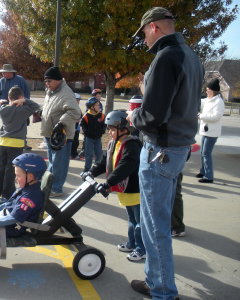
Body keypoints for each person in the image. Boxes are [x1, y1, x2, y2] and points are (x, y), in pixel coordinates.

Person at [127, 7, 203, 299]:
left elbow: (153, 115)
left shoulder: (166, 57)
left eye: (144, 33)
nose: (143, 39)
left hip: (161, 150)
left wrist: (134, 118)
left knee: (154, 227)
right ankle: (157, 281)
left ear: (154, 28)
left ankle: (161, 290)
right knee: (157, 222)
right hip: (177, 148)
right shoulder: (189, 55)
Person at [83, 110, 145, 261]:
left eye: (112, 129)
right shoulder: (114, 143)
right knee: (131, 219)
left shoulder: (132, 145)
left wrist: (108, 183)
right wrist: (91, 171)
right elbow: (104, 160)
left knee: (139, 223)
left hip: (135, 190)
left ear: (123, 128)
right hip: (125, 190)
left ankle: (141, 249)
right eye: (108, 129)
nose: (109, 132)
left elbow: (125, 167)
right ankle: (131, 243)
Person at [0, 86, 40, 202]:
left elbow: (0, 105)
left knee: (0, 168)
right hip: (16, 144)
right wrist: (24, 101)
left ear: (9, 98)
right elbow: (36, 106)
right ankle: (7, 195)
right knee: (10, 171)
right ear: (20, 98)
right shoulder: (23, 110)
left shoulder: (3, 109)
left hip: (3, 142)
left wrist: (5, 102)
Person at [40, 66, 81, 198]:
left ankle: (56, 189)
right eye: (45, 81)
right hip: (50, 133)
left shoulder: (66, 92)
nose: (47, 84)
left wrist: (61, 123)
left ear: (58, 80)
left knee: (59, 164)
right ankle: (49, 186)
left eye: (49, 81)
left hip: (61, 135)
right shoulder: (50, 91)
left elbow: (75, 112)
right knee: (53, 162)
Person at [0, 64, 31, 150]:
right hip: (5, 106)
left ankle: (23, 142)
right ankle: (3, 143)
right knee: (5, 125)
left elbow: (27, 93)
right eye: (3, 73)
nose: (3, 74)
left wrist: (25, 104)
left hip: (19, 106)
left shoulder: (20, 80)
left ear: (11, 72)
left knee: (21, 125)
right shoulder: (1, 81)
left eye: (5, 72)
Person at [196, 78, 224, 184]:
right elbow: (199, 101)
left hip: (212, 132)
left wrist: (201, 116)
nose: (206, 91)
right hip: (205, 130)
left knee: (206, 153)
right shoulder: (208, 100)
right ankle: (203, 171)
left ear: (213, 90)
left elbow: (216, 117)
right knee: (203, 152)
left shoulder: (219, 101)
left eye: (208, 89)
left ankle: (209, 176)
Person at [80, 97, 106, 171]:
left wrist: (102, 131)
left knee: (99, 153)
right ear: (91, 107)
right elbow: (82, 125)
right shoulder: (86, 116)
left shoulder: (101, 115)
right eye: (97, 105)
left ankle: (97, 168)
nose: (99, 106)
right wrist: (86, 132)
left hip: (98, 138)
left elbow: (104, 125)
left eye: (99, 105)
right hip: (89, 138)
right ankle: (87, 168)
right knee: (89, 154)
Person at [71, 93, 82, 159]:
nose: (78, 101)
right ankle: (72, 154)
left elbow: (80, 116)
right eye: (76, 100)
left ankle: (74, 154)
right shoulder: (71, 108)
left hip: (76, 128)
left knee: (76, 142)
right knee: (71, 142)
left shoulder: (78, 108)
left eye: (78, 100)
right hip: (71, 128)